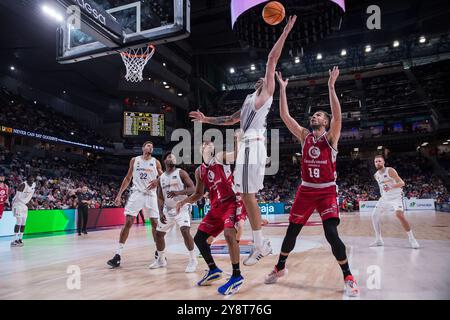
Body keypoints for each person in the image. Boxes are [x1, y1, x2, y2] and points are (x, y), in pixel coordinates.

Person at [189, 15, 298, 266]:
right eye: (261, 79)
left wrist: (286, 31)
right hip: (248, 145)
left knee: (247, 195)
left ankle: (261, 245)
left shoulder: (266, 95)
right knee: (244, 194)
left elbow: (271, 59)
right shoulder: (249, 99)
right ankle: (260, 242)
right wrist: (206, 119)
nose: (263, 79)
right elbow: (230, 119)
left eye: (266, 78)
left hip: (254, 144)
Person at [264, 68, 359, 297]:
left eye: (319, 116)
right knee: (291, 232)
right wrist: (283, 90)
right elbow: (286, 117)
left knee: (331, 234)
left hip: (326, 191)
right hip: (306, 190)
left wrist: (331, 86)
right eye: (313, 115)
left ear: (325, 122)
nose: (314, 117)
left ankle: (348, 275)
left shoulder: (332, 136)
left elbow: (338, 116)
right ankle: (280, 267)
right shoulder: (304, 135)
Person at [176, 140, 245, 295]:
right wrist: (184, 201)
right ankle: (213, 269)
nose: (208, 144)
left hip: (230, 203)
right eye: (205, 143)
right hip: (215, 208)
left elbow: (236, 155)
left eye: (211, 143)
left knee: (229, 234)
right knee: (199, 238)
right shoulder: (199, 171)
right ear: (201, 149)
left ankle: (236, 274)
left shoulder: (220, 157)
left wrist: (236, 141)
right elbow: (199, 193)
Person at [107, 141, 163, 268]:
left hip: (151, 194)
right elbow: (128, 178)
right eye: (148, 145)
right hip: (137, 193)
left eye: (152, 146)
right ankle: (117, 255)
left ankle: (159, 253)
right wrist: (119, 194)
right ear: (143, 148)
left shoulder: (156, 162)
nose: (150, 147)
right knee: (128, 222)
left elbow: (164, 176)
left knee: (155, 224)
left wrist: (157, 181)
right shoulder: (134, 160)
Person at [149, 152, 197, 273]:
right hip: (168, 209)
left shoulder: (181, 172)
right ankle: (161, 259)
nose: (172, 158)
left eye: (174, 157)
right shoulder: (161, 178)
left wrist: (179, 192)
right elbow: (160, 197)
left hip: (182, 207)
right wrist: (160, 212)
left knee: (185, 231)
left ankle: (193, 260)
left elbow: (192, 188)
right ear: (165, 161)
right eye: (170, 156)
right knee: (159, 234)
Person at [370, 155, 420, 249]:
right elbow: (382, 187)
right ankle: (379, 240)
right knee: (374, 215)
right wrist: (383, 195)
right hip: (385, 198)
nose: (378, 163)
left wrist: (391, 187)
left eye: (379, 161)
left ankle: (412, 239)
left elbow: (402, 183)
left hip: (396, 197)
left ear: (383, 162)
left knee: (399, 215)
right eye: (376, 161)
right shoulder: (376, 175)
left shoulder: (390, 170)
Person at [11, 175, 36, 247]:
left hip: (25, 205)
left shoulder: (33, 185)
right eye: (30, 180)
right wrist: (27, 203)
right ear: (27, 180)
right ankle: (14, 240)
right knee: (18, 221)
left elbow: (30, 196)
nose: (32, 181)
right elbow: (18, 197)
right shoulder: (22, 185)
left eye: (33, 180)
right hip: (17, 204)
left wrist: (31, 203)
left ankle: (20, 239)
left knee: (24, 221)